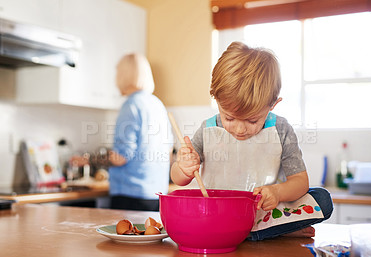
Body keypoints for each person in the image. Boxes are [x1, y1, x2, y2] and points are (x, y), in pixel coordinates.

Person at [170, 42, 333, 240]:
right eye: (229, 118)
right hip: (218, 214)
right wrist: (183, 167)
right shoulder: (207, 129)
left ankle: (252, 232)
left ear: (273, 104)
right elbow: (178, 179)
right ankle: (275, 231)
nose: (239, 129)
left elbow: (300, 182)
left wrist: (277, 192)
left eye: (252, 120)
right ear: (216, 100)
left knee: (322, 199)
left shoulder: (281, 130)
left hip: (260, 214)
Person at [73, 53, 172, 211]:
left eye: (118, 72)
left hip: (131, 196)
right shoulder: (157, 104)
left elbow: (120, 157)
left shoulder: (131, 105)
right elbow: (167, 150)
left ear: (124, 75)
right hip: (156, 195)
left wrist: (89, 160)